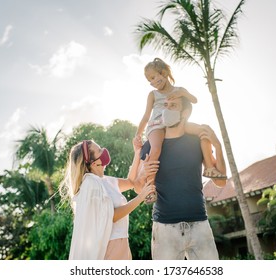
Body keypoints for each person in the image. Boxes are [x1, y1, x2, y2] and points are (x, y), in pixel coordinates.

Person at [139, 96, 227, 260]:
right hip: (164, 228)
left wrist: (218, 146)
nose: (166, 109)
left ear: (184, 113)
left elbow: (220, 181)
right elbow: (138, 188)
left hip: (199, 224)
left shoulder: (198, 142)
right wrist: (143, 174)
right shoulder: (151, 145)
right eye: (165, 105)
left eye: (173, 106)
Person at [135, 58, 226, 204]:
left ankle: (209, 166)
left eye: (153, 77)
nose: (152, 82)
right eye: (149, 80)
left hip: (175, 122)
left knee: (203, 130)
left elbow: (194, 100)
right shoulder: (153, 94)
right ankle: (150, 186)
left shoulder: (179, 91)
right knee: (156, 148)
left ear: (163, 73)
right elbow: (146, 116)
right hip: (157, 125)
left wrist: (183, 94)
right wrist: (138, 134)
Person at [60, 139, 157, 260]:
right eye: (99, 150)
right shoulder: (90, 184)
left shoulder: (105, 180)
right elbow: (112, 216)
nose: (104, 151)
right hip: (111, 247)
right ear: (94, 163)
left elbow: (131, 182)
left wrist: (137, 153)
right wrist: (141, 197)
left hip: (123, 244)